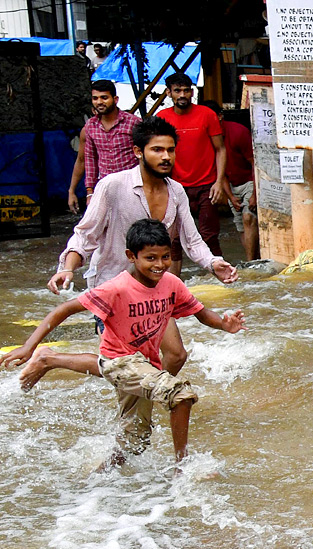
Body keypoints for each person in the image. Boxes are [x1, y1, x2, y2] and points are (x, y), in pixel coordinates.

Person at [1, 220, 245, 469]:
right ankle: (182, 467)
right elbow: (65, 308)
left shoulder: (171, 284)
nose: (159, 265)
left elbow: (201, 313)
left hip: (145, 364)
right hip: (119, 362)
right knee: (180, 394)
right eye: (150, 258)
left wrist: (224, 325)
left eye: (165, 257)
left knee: (134, 442)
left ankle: (98, 477)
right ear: (131, 256)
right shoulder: (116, 288)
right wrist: (27, 347)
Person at [20, 117, 237, 392]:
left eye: (170, 150)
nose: (166, 156)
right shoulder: (113, 186)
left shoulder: (176, 191)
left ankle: (145, 394)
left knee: (176, 355)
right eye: (157, 149)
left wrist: (214, 263)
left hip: (153, 287)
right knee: (122, 365)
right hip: (114, 286)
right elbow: (85, 235)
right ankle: (50, 358)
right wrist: (68, 268)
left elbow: (192, 240)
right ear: (138, 151)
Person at [157, 73, 227, 272]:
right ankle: (173, 287)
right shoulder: (163, 118)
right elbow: (157, 152)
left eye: (186, 90)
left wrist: (219, 182)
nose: (182, 95)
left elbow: (220, 149)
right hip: (175, 186)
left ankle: (221, 279)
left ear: (192, 92)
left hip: (207, 185)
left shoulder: (207, 114)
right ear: (168, 92)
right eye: (177, 90)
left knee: (209, 236)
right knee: (173, 238)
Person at [67, 80, 141, 214]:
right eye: (95, 98)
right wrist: (87, 192)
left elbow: (145, 156)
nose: (99, 102)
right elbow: (87, 159)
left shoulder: (133, 123)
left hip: (132, 187)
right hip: (105, 188)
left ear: (115, 99)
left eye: (104, 97)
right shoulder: (90, 126)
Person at [204, 101, 258, 260]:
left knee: (249, 218)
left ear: (220, 116)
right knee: (241, 226)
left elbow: (254, 163)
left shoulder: (238, 132)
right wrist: (230, 196)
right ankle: (253, 259)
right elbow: (219, 172)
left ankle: (250, 262)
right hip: (230, 183)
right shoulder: (207, 137)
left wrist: (255, 193)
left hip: (248, 179)